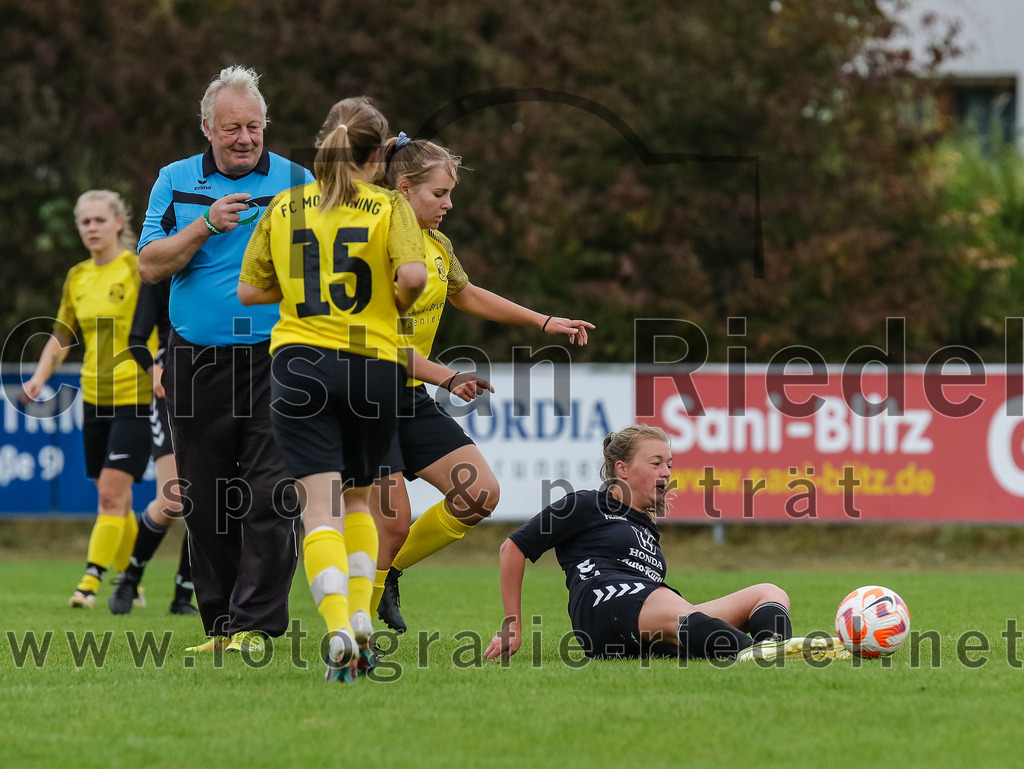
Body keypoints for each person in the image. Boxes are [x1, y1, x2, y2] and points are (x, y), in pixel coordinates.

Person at [369, 134, 595, 634]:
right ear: (404, 189)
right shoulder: (373, 241)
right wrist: (448, 376)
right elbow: (375, 343)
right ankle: (353, 635)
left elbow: (465, 294)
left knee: (479, 494)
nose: (449, 204)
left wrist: (544, 322)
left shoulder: (435, 245)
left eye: (451, 194)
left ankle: (385, 576)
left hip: (408, 393)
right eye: (439, 193)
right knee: (391, 524)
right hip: (362, 397)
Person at [238, 96, 429, 682]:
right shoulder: (389, 205)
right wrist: (391, 302)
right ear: (377, 156)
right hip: (372, 363)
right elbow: (415, 276)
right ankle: (363, 618)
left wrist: (303, 291)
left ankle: (339, 628)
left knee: (316, 506)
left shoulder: (284, 204)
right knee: (359, 499)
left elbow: (249, 292)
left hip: (300, 363)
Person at [137, 65, 313, 654]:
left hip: (279, 356)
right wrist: (204, 225)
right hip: (195, 359)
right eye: (232, 128)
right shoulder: (174, 180)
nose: (244, 138)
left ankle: (258, 626)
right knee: (206, 496)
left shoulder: (297, 180)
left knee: (269, 491)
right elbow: (150, 264)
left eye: (254, 127)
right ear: (207, 127)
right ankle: (221, 626)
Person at [483, 425, 848, 663]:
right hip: (603, 608)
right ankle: (758, 655)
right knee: (679, 610)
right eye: (656, 462)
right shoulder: (584, 504)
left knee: (768, 591)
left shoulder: (645, 527)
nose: (667, 473)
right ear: (622, 469)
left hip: (652, 615)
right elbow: (512, 548)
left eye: (669, 464)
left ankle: (772, 654)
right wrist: (513, 624)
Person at [20, 189, 154, 608]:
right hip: (94, 396)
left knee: (110, 495)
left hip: (138, 395)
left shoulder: (137, 268)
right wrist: (39, 377)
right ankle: (132, 580)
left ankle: (90, 583)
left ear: (119, 223)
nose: (92, 228)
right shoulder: (77, 276)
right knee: (117, 497)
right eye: (85, 222)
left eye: (99, 220)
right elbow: (61, 336)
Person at [107, 278, 199, 616]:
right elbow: (136, 338)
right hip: (172, 389)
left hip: (223, 383)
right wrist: (154, 370)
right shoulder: (162, 264)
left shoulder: (235, 254)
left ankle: (183, 595)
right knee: (174, 497)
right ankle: (130, 577)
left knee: (212, 499)